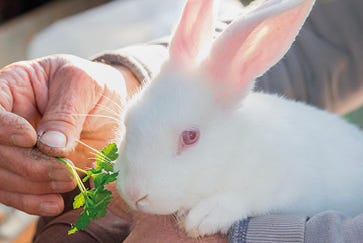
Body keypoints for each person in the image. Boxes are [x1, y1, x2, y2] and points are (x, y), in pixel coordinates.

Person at [0, 0, 362, 242]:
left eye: (187, 138)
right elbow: (326, 38)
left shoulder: (265, 148)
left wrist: (245, 228)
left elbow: (302, 184)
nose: (136, 190)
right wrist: (121, 79)